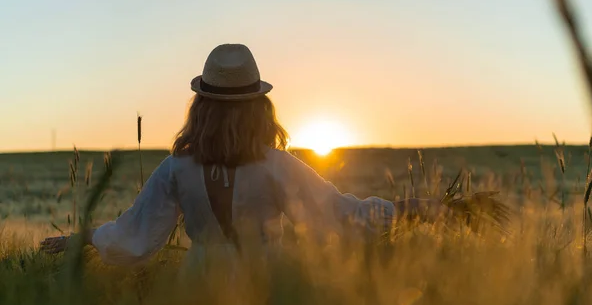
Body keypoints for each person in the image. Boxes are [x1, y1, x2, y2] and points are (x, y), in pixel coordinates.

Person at [40, 44, 447, 265]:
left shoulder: (176, 169)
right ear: (260, 108)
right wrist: (424, 208)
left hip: (199, 293)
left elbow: (138, 237)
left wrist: (85, 237)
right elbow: (342, 215)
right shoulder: (276, 167)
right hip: (265, 289)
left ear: (201, 106)